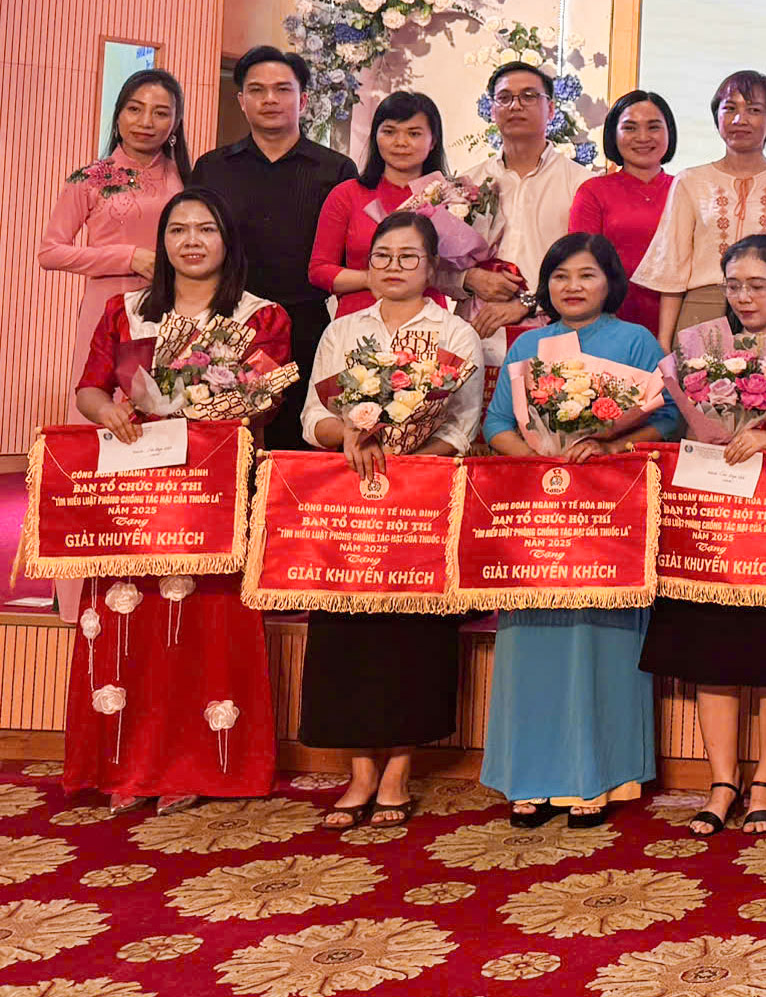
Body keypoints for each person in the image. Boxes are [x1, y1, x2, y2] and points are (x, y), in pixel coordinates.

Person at [67, 189, 288, 810]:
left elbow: (269, 400)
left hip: (214, 490)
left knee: (203, 628)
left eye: (206, 229)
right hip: (136, 488)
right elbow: (89, 388)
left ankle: (197, 766)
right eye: (178, 230)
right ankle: (130, 765)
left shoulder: (260, 316)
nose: (192, 241)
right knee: (130, 624)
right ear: (162, 243)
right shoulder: (126, 310)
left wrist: (220, 408)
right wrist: (107, 410)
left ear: (227, 240)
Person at [639, 234, 766, 837]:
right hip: (712, 527)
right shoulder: (698, 348)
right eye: (733, 286)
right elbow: (679, 425)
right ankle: (722, 781)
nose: (744, 297)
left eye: (758, 285)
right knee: (714, 654)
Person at [297, 210, 485, 830]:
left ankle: (400, 769)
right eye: (382, 256)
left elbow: (461, 424)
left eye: (409, 257)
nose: (393, 267)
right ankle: (359, 772)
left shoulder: (455, 333)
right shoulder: (342, 330)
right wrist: (347, 434)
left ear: (432, 267)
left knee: (412, 629)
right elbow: (311, 416)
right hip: (349, 497)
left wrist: (411, 458)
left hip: (422, 496)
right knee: (347, 628)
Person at [482, 234, 678, 828]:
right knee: (532, 642)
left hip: (608, 513)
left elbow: (669, 418)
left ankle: (599, 776)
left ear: (610, 282)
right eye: (561, 275)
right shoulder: (527, 345)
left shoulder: (636, 342)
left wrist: (610, 445)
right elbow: (497, 423)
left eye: (587, 274)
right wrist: (538, 455)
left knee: (601, 638)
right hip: (539, 514)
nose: (573, 286)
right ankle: (530, 776)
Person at [190, 46, 357, 450]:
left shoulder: (336, 170)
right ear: (241, 100)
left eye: (282, 89)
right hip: (227, 320)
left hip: (306, 322)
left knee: (297, 437)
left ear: (303, 100)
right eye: (257, 90)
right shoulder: (212, 168)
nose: (269, 99)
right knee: (224, 436)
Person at [633, 71, 766, 346]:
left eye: (754, 110)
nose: (740, 120)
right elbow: (673, 270)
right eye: (729, 109)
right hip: (702, 311)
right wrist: (665, 341)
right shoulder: (690, 181)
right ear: (717, 116)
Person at [42, 67, 189, 334]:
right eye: (134, 109)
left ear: (175, 123)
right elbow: (50, 253)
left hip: (174, 312)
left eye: (160, 113)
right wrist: (128, 258)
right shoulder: (89, 179)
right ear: (118, 115)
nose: (146, 122)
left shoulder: (189, 179)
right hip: (107, 311)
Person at [461, 62, 595, 341]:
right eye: (505, 97)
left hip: (555, 330)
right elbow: (436, 265)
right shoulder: (467, 184)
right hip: (477, 328)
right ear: (492, 109)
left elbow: (591, 267)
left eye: (529, 96)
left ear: (551, 109)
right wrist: (467, 279)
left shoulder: (582, 184)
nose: (515, 105)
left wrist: (529, 302)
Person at [310, 91, 462, 317]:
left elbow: (461, 269)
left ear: (433, 141)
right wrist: (370, 279)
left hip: (428, 323)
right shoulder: (347, 194)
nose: (400, 142)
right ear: (375, 136)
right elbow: (319, 270)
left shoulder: (450, 198)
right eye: (389, 132)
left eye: (414, 133)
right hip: (359, 321)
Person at [569, 89, 678, 337]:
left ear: (669, 132)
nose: (643, 137)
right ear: (613, 134)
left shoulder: (686, 189)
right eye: (630, 128)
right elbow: (581, 263)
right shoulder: (593, 192)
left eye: (653, 127)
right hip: (609, 323)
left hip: (678, 323)